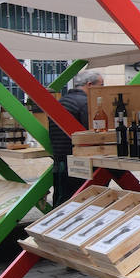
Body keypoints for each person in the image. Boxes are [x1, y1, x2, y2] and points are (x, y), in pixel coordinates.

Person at [48, 69, 103, 205]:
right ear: (90, 85)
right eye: (101, 86)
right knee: (81, 202)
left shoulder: (61, 102)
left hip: (60, 161)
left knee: (62, 201)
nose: (102, 89)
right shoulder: (86, 104)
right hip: (80, 164)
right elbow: (91, 133)